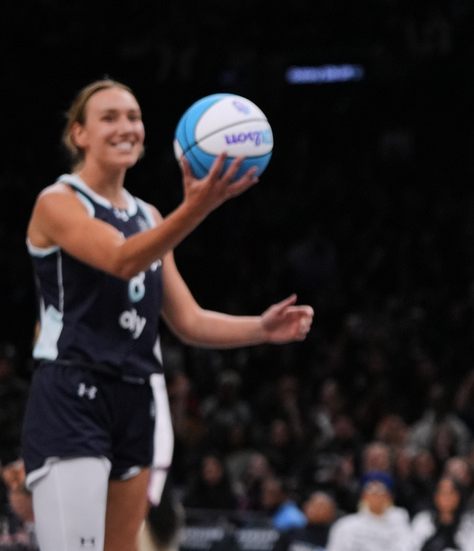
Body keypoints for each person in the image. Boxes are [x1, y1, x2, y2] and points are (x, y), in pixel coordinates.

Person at [21, 79, 314, 551]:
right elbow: (121, 260)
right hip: (72, 392)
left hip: (135, 398)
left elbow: (188, 320)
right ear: (79, 134)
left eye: (133, 117)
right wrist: (196, 208)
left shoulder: (150, 217)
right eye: (109, 117)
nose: (126, 127)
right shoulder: (57, 202)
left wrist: (261, 327)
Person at [326, 471, 414, 551]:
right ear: (363, 496)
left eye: (380, 491)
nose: (375, 495)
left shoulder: (401, 525)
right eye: (371, 490)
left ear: (389, 497)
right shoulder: (345, 526)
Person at [409, 475, 474, 551]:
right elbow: (411, 546)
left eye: (450, 492)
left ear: (458, 495)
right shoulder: (422, 520)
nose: (445, 497)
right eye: (441, 492)